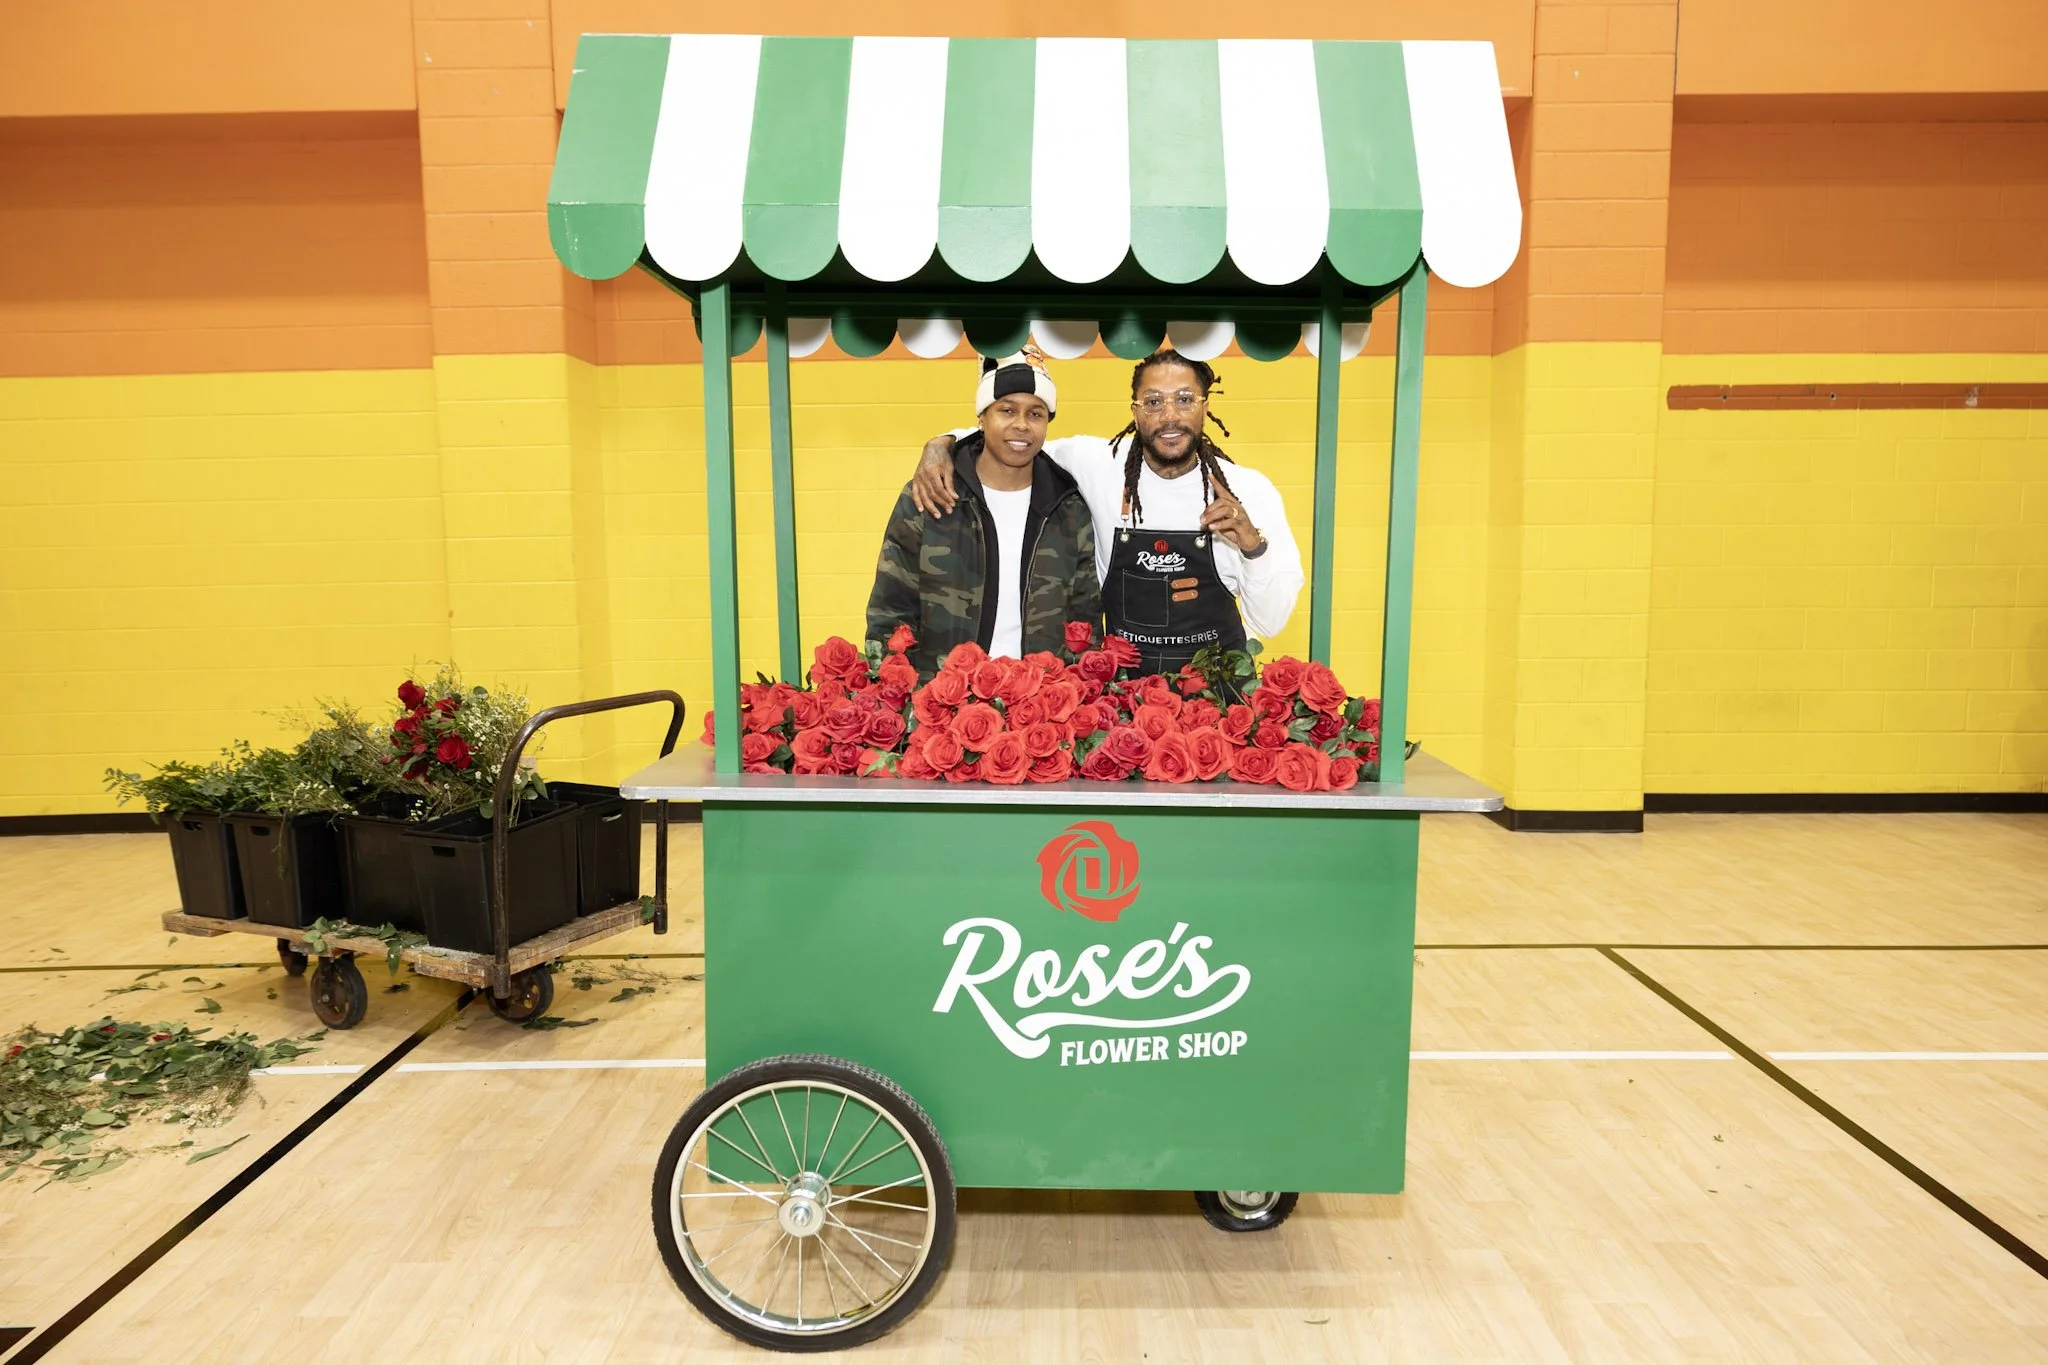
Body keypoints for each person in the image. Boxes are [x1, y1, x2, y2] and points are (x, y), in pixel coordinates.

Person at [912, 348, 1303, 676]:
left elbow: (1271, 622)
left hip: (1217, 698)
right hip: (1122, 703)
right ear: (1135, 411)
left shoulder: (1250, 490)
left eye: (1184, 399)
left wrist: (1253, 547)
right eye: (1154, 402)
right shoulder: (1098, 463)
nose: (1169, 416)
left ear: (1205, 406)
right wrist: (941, 442)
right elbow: (1016, 437)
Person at [867, 352, 1101, 677]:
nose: (1021, 424)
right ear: (982, 417)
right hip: (942, 700)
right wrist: (896, 696)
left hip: (1040, 707)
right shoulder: (932, 494)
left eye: (1035, 414)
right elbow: (891, 608)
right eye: (1006, 410)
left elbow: (1084, 620)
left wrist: (1077, 694)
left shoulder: (1068, 507)